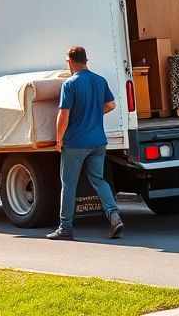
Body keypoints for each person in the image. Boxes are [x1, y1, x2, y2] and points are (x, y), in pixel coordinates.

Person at [47, 46, 124, 241]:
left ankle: (65, 228)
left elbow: (63, 115)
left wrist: (58, 139)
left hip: (75, 143)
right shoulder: (100, 80)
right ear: (86, 60)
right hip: (98, 141)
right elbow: (111, 105)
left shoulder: (70, 84)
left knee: (69, 184)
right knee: (98, 180)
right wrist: (94, 115)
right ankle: (114, 216)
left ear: (70, 62)